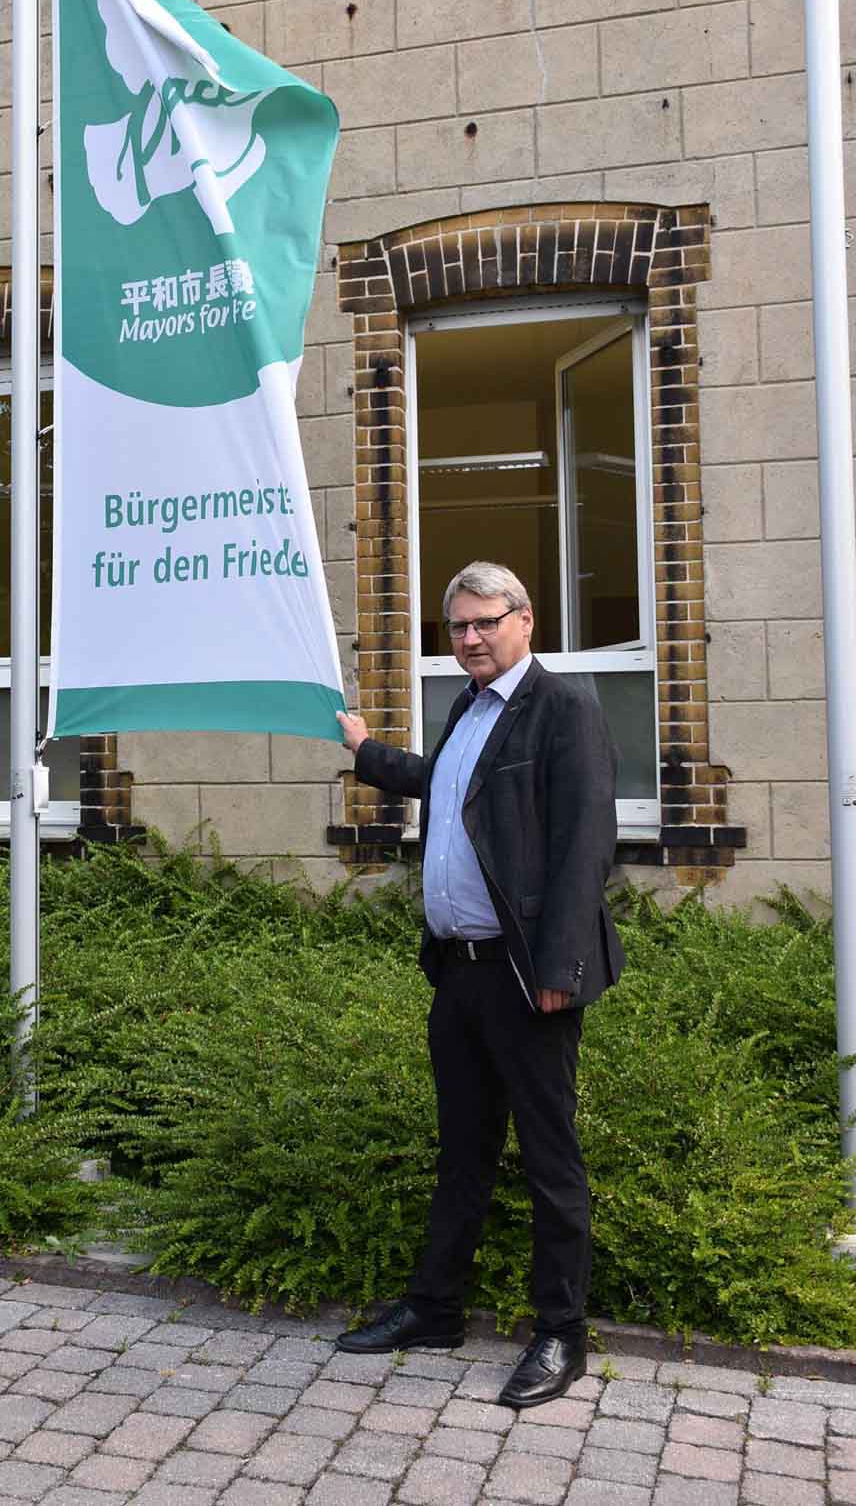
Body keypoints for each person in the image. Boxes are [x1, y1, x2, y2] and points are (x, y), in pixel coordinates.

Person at [334, 561, 623, 1409]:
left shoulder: (562, 709)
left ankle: (560, 1334)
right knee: (461, 1149)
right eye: (456, 627)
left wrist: (562, 973)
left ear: (524, 619)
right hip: (457, 976)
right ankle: (435, 1309)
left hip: (528, 978)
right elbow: (445, 783)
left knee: (549, 1160)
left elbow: (584, 845)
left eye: (484, 622)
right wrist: (365, 751)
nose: (468, 639)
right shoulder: (468, 706)